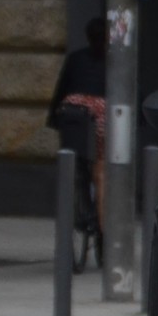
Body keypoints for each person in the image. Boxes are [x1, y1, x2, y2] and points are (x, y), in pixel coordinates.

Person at [46, 17, 107, 225]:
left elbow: (62, 88)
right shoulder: (115, 63)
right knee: (101, 165)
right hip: (101, 122)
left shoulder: (76, 59)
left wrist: (53, 117)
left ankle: (84, 206)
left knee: (78, 161)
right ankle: (101, 217)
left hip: (74, 118)